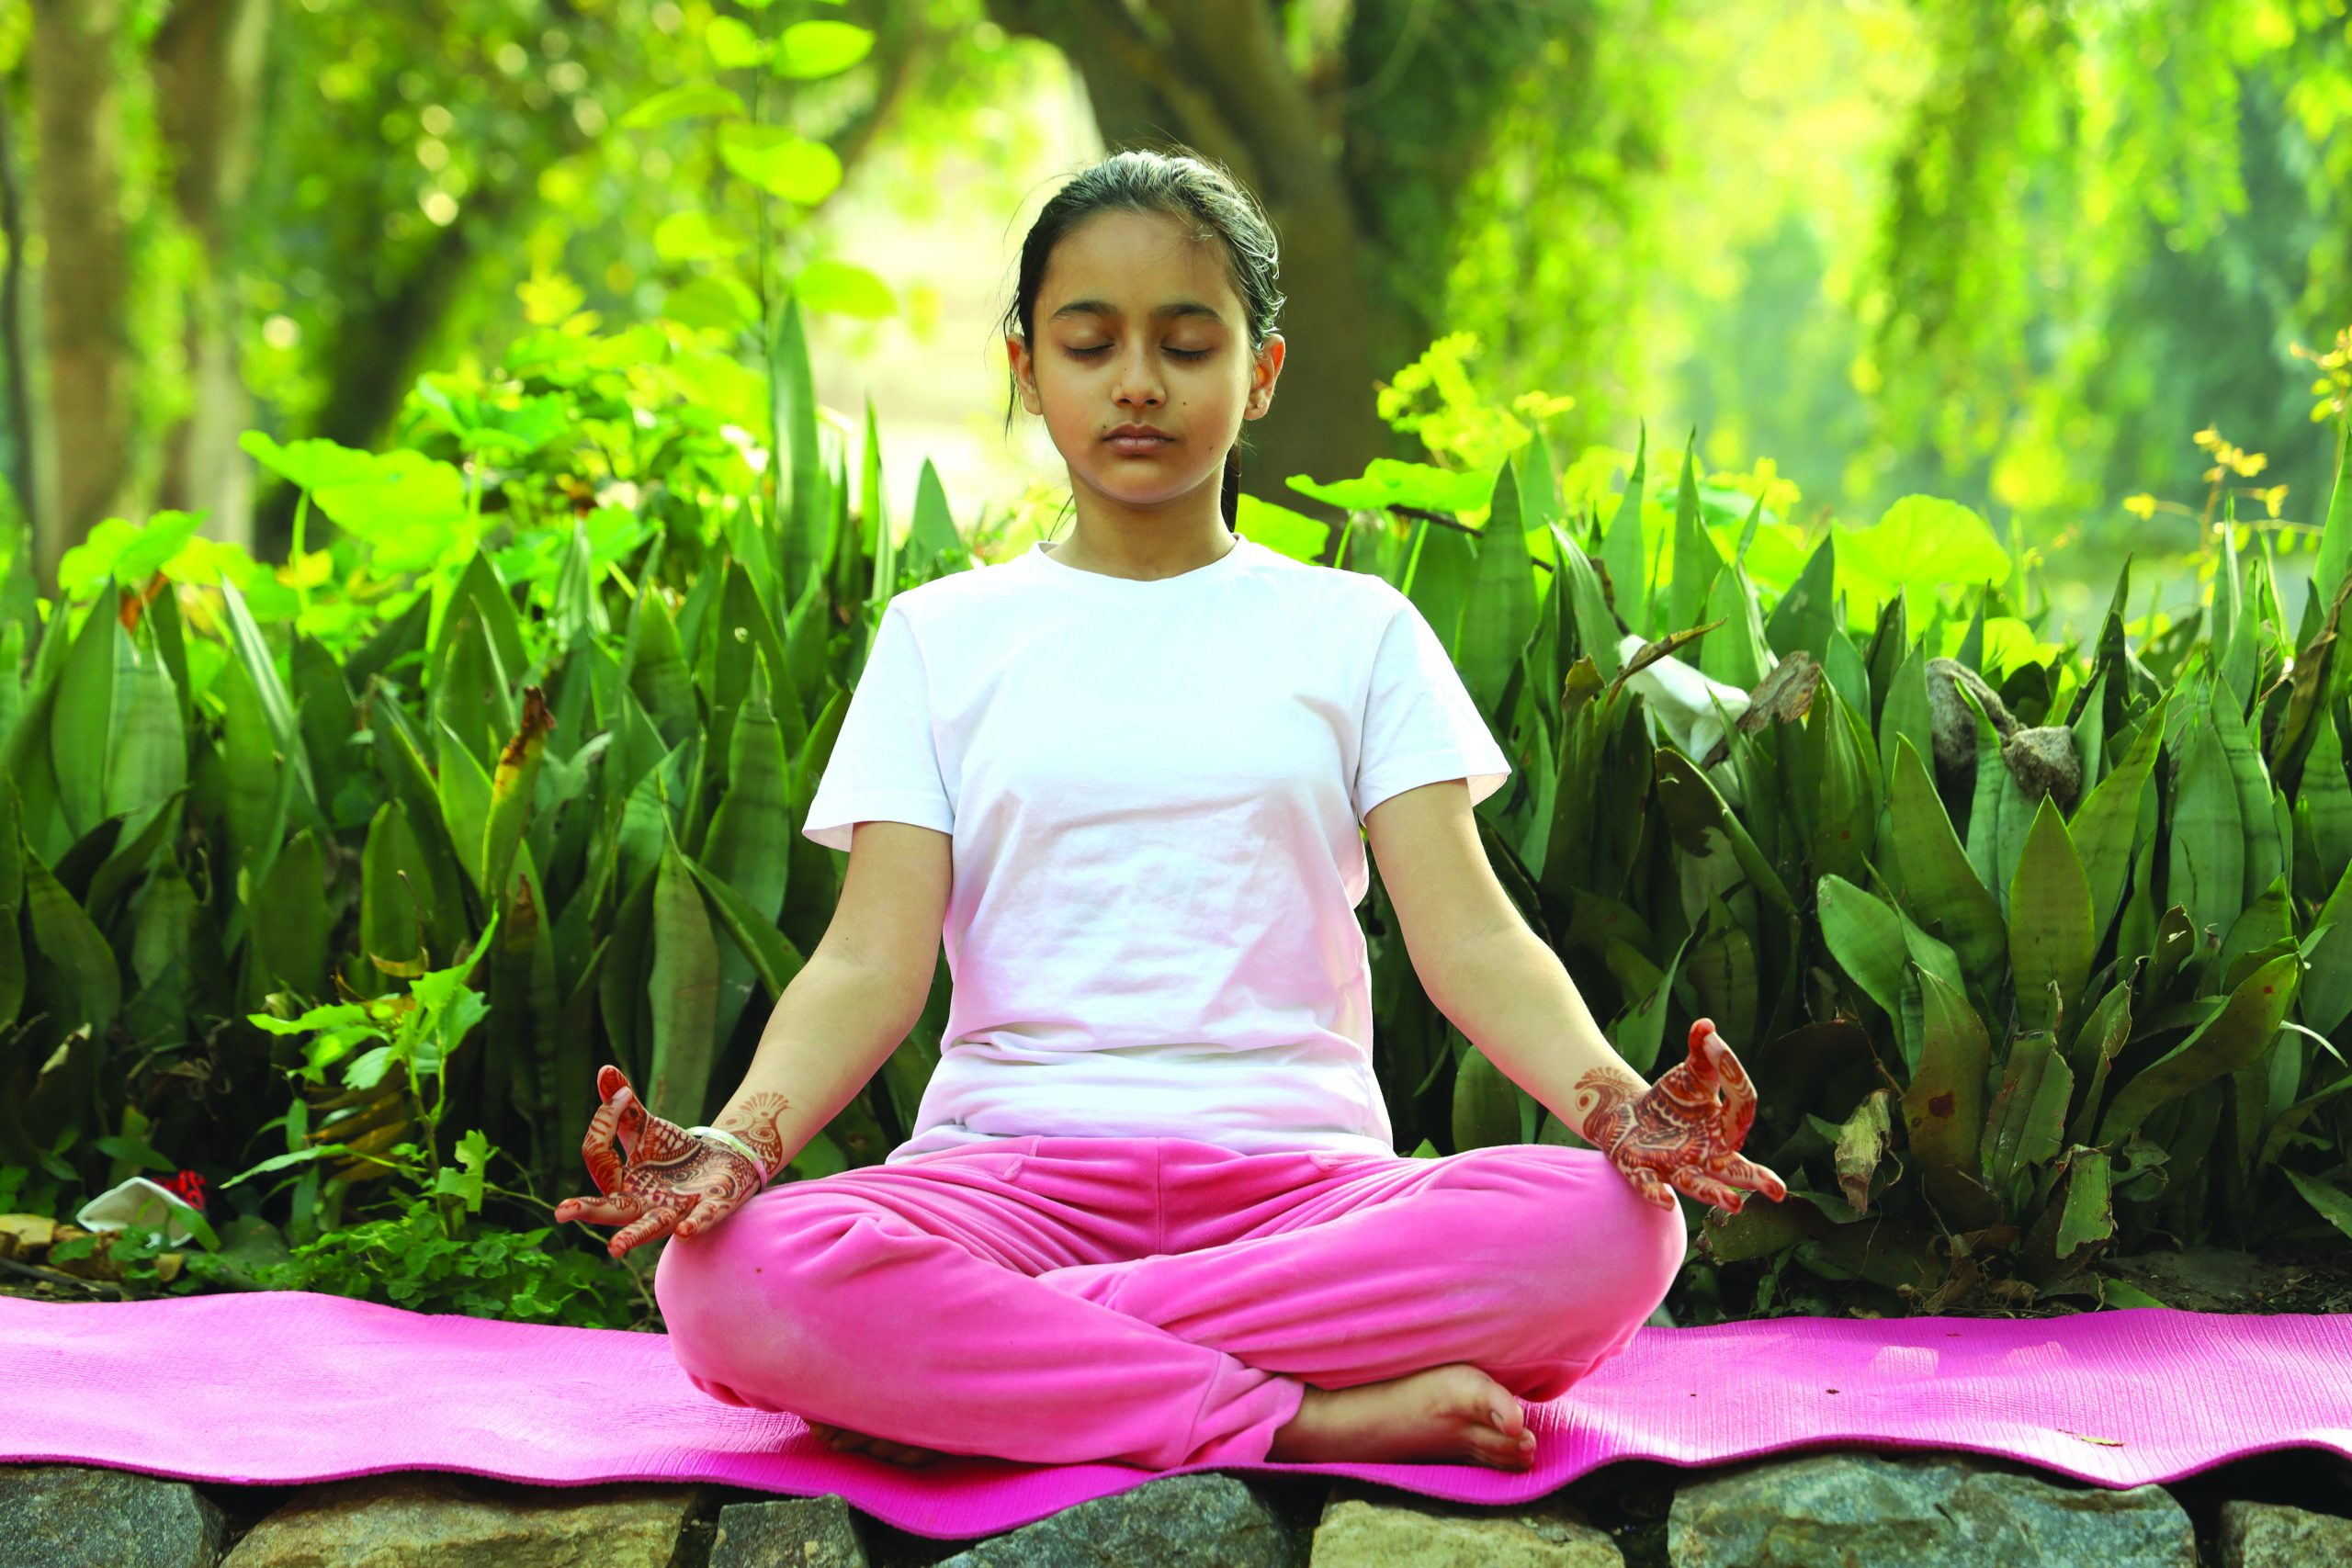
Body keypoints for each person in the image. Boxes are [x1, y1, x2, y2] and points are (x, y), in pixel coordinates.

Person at [553, 145, 1787, 1472]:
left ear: (1259, 373)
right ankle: (1290, 1416)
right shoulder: (942, 638)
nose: (1137, 384)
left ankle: (1018, 1367)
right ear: (1027, 369)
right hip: (1004, 1182)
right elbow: (866, 961)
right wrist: (737, 1148)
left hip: (1305, 1196)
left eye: (1186, 346)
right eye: (1091, 344)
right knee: (730, 1281)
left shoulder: (1356, 631)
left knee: (1618, 1232)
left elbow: (1472, 938)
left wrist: (1615, 1106)